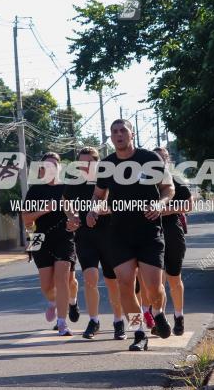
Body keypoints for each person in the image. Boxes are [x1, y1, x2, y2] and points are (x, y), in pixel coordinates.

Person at [88, 119, 174, 351]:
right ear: (111, 136)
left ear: (132, 133)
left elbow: (168, 188)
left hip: (148, 231)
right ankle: (139, 332)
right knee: (125, 285)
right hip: (119, 233)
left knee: (154, 289)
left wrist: (160, 204)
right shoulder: (106, 164)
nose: (119, 135)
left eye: (123, 130)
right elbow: (98, 195)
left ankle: (157, 312)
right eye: (114, 132)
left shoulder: (149, 159)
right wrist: (93, 209)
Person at [64, 146, 125, 340]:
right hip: (85, 237)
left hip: (110, 236)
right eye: (82, 163)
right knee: (90, 278)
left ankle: (118, 321)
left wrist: (100, 210)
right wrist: (72, 215)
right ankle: (94, 320)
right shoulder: (74, 182)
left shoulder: (107, 180)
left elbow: (119, 204)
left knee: (112, 282)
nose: (85, 167)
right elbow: (65, 201)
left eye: (89, 163)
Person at [21, 152, 76, 336]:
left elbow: (74, 215)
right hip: (39, 238)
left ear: (60, 167)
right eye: (47, 165)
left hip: (64, 238)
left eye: (55, 164)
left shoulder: (67, 188)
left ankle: (62, 323)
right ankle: (52, 301)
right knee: (46, 286)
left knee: (62, 280)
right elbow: (26, 218)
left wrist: (74, 220)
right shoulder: (35, 190)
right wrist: (44, 210)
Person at [153, 147, 192, 336]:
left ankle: (179, 316)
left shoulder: (177, 181)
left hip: (172, 232)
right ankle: (159, 318)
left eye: (163, 158)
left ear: (168, 161)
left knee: (174, 278)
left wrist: (163, 210)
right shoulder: (144, 182)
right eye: (155, 159)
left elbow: (189, 205)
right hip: (151, 235)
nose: (159, 161)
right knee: (156, 281)